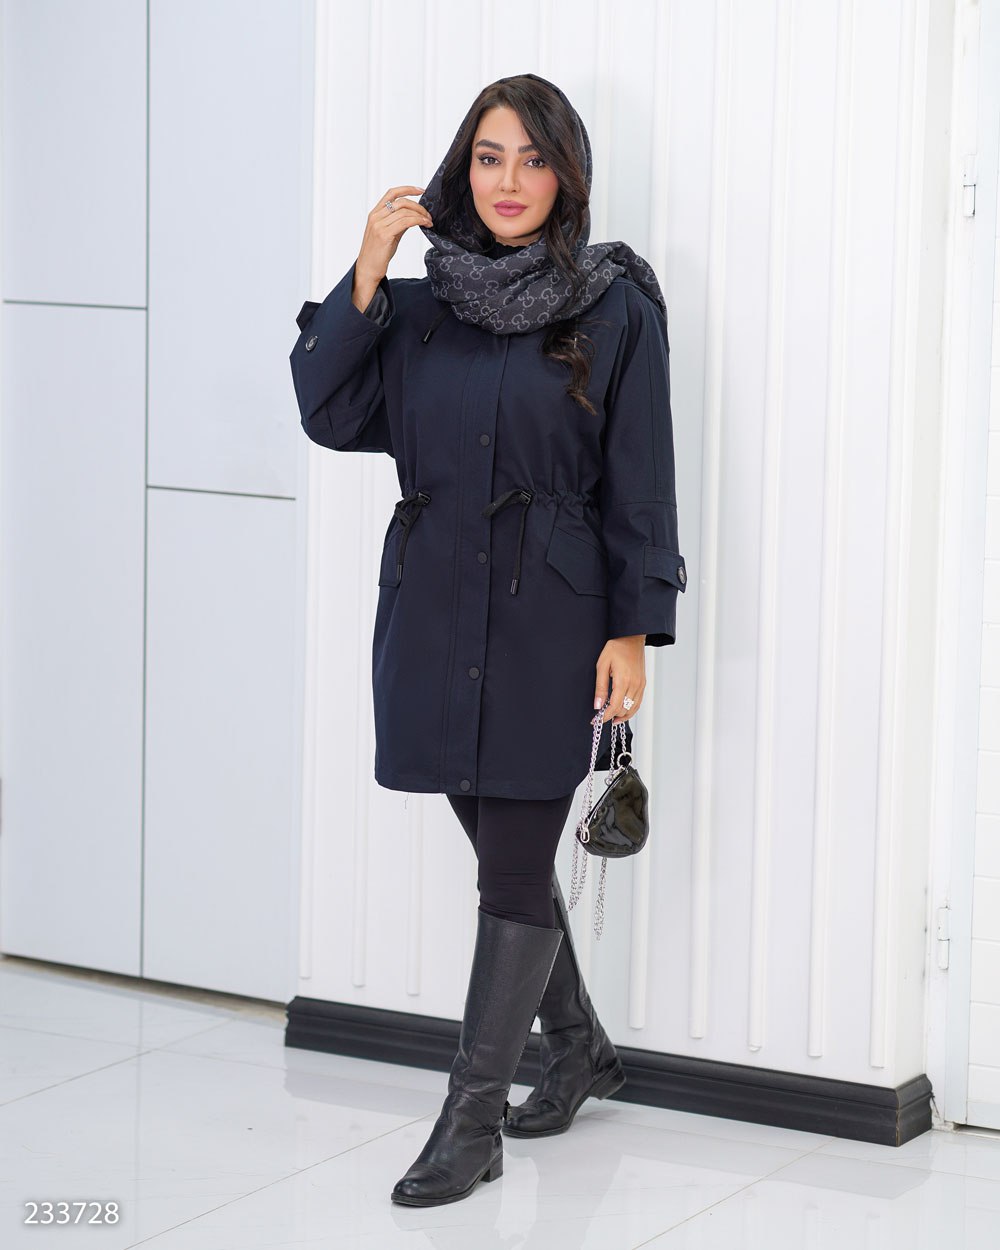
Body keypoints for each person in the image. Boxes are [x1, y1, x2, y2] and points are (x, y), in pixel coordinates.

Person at [289, 72, 687, 1208]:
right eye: (489, 156)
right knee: (498, 840)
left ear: (568, 174)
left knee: (511, 863)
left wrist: (633, 627)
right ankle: (579, 1047)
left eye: (534, 158)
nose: (509, 181)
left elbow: (641, 478)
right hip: (431, 602)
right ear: (461, 169)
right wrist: (367, 270)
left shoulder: (613, 306)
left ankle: (470, 1124)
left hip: (551, 614)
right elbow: (327, 412)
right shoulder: (420, 307)